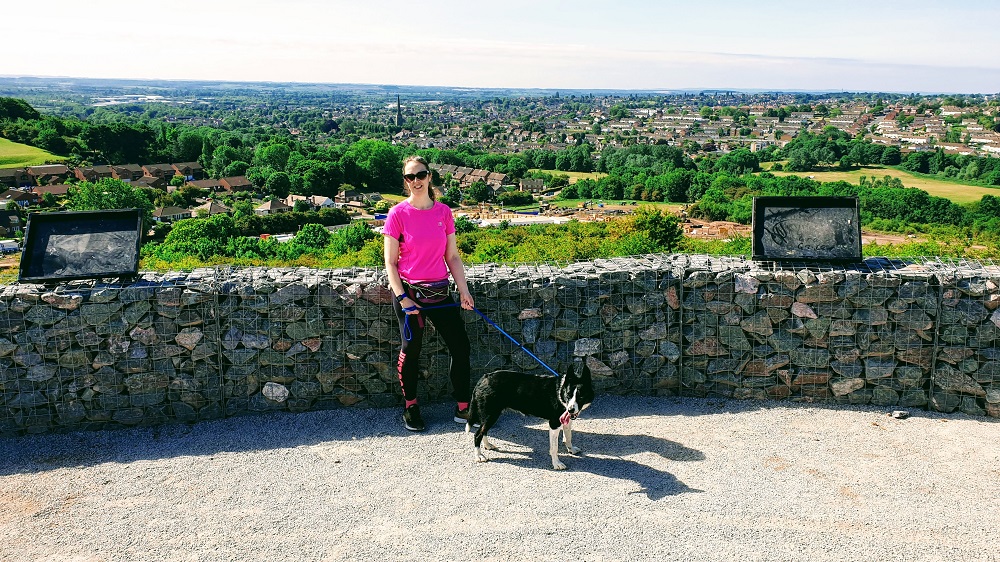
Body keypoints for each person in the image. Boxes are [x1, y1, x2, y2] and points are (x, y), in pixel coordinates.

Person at [383, 155, 475, 432]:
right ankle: (410, 406)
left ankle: (462, 407)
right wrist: (403, 298)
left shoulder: (443, 212)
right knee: (411, 350)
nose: (416, 181)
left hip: (439, 293)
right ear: (405, 181)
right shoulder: (397, 214)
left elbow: (453, 257)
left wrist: (464, 292)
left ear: (429, 176)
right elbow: (390, 263)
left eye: (420, 175)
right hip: (410, 294)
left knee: (461, 348)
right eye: (410, 177)